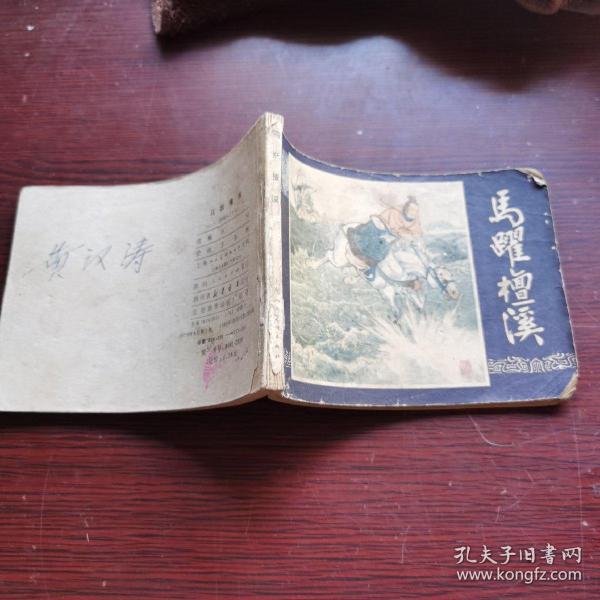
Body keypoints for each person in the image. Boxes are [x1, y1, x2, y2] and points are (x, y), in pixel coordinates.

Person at [346, 196, 422, 281]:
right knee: (377, 246)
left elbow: (415, 234)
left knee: (386, 249)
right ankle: (367, 268)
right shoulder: (394, 212)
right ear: (406, 208)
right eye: (411, 209)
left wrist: (409, 237)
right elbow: (384, 222)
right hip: (378, 231)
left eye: (415, 211)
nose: (412, 212)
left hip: (390, 239)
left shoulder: (414, 223)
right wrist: (390, 231)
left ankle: (372, 268)